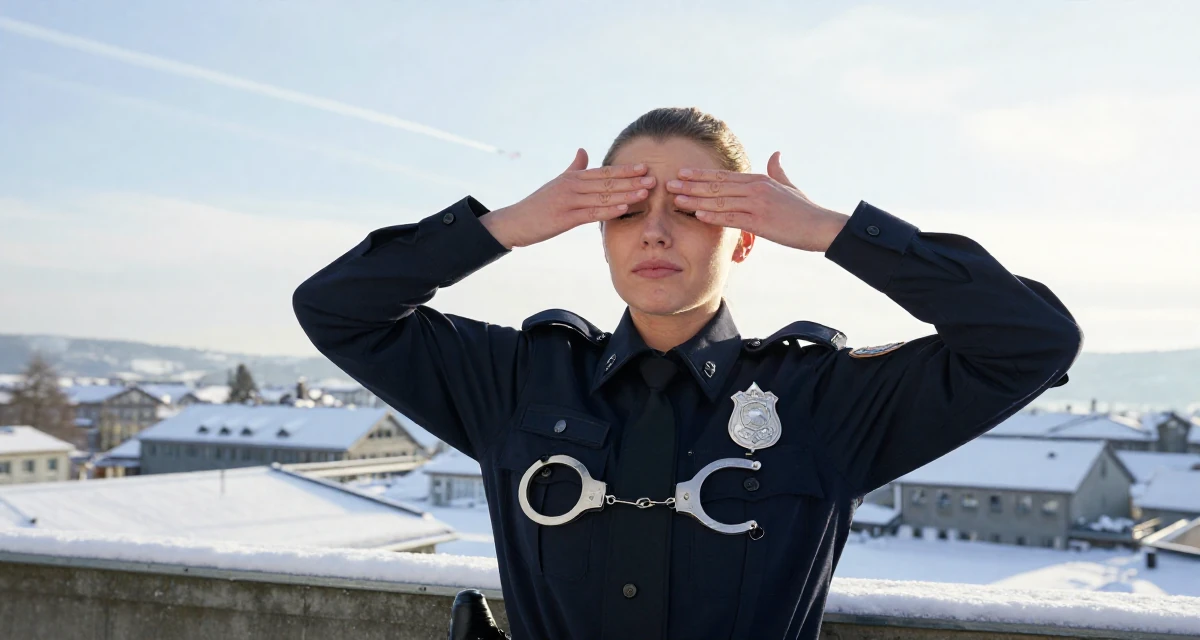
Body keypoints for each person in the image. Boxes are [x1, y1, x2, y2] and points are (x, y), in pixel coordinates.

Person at [292, 107, 1081, 640]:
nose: (656, 232)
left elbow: (1032, 341)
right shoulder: (518, 381)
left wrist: (833, 231)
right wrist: (505, 226)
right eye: (627, 210)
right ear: (597, 231)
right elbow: (336, 308)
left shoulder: (823, 400)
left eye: (696, 208)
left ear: (746, 236)